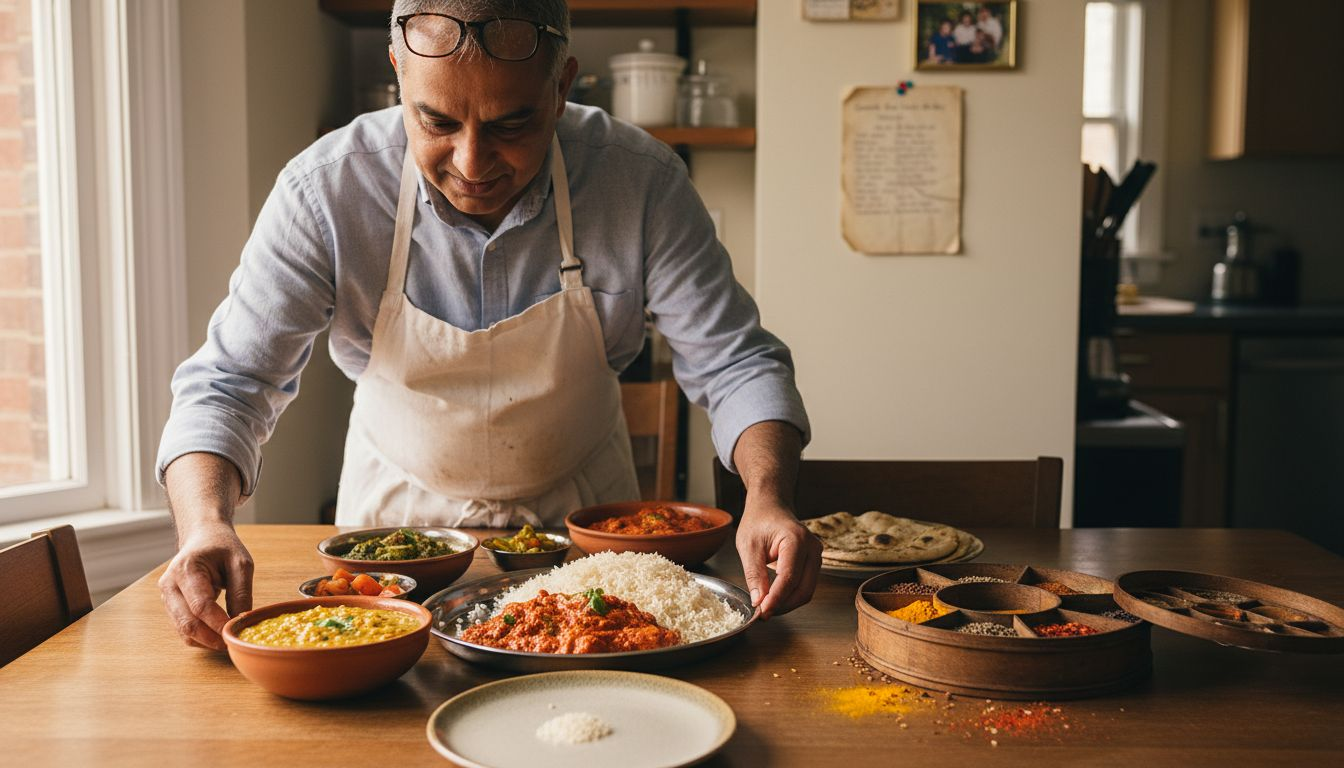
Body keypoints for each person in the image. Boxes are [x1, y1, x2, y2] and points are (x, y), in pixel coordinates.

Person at [155, 0, 820, 651]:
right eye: (436, 121)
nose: (471, 164)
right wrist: (204, 525)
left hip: (591, 545)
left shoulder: (640, 182)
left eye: (512, 125)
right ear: (398, 72)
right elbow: (230, 385)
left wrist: (766, 495)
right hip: (393, 540)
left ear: (561, 87)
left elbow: (736, 363)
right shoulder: (325, 190)